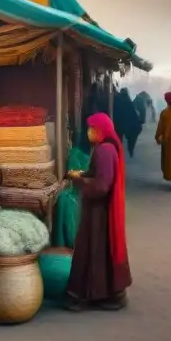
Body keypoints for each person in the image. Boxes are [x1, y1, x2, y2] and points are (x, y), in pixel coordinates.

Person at [65, 113, 132, 311]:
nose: (88, 132)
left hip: (99, 212)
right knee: (98, 251)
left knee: (93, 251)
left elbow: (102, 185)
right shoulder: (104, 148)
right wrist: (82, 174)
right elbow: (97, 175)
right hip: (98, 211)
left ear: (100, 130)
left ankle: (92, 294)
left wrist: (79, 181)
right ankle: (106, 294)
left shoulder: (104, 150)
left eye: (91, 128)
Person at [113, 88, 144, 159]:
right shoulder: (128, 101)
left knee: (118, 139)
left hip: (118, 123)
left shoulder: (116, 99)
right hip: (128, 124)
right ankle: (130, 150)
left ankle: (119, 153)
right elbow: (133, 113)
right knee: (131, 139)